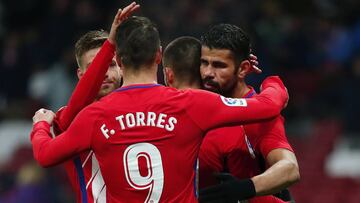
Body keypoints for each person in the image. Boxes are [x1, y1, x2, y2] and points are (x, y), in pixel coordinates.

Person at [30, 16, 288, 202]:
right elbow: (269, 105)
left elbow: (45, 155)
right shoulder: (189, 104)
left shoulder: (90, 118)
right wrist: (271, 81)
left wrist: (40, 123)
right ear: (158, 55)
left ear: (119, 61)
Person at [198, 24, 300, 203]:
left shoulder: (260, 116)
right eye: (204, 63)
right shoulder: (194, 105)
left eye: (219, 65)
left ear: (243, 69)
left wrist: (244, 189)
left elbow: (290, 168)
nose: (208, 73)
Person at [51, 3, 139, 202]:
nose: (105, 73)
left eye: (111, 64)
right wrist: (110, 43)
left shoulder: (141, 109)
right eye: (96, 68)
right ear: (81, 75)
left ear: (122, 67)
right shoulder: (69, 118)